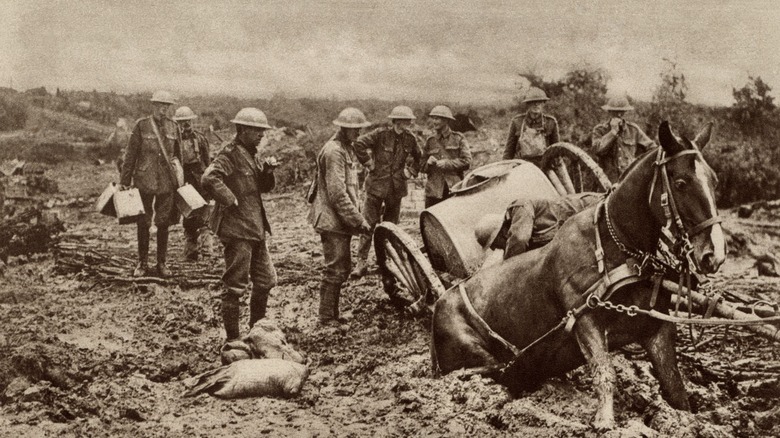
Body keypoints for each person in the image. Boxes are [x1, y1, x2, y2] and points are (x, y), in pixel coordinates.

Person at [201, 108, 279, 342]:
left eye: (262, 131)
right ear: (243, 130)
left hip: (254, 227)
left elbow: (263, 188)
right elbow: (209, 178)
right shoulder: (230, 154)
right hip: (237, 230)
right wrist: (229, 198)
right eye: (256, 131)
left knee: (266, 280)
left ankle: (255, 332)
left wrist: (268, 172)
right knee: (235, 286)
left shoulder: (251, 154)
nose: (261, 135)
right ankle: (233, 341)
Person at [308, 108, 372, 325]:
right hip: (332, 220)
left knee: (341, 267)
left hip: (338, 219)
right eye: (354, 129)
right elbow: (337, 194)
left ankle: (332, 314)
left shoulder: (345, 148)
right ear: (343, 128)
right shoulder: (334, 152)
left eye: (360, 128)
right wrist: (358, 220)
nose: (358, 132)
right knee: (335, 268)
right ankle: (326, 317)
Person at [351, 105, 422, 278]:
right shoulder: (380, 134)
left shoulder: (410, 139)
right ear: (394, 121)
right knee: (367, 225)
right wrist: (368, 162)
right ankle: (361, 262)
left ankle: (386, 261)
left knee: (391, 228)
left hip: (395, 190)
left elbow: (420, 157)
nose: (404, 124)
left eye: (407, 121)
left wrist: (410, 171)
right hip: (376, 187)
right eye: (401, 121)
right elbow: (358, 144)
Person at [120, 90, 180, 278]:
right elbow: (130, 155)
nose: (163, 109)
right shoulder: (142, 126)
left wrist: (180, 182)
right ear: (153, 106)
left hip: (166, 182)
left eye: (167, 106)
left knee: (164, 222)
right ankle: (142, 262)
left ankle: (162, 263)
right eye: (160, 105)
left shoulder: (173, 127)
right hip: (144, 180)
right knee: (143, 221)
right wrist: (125, 181)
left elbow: (178, 158)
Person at [476, 192, 603, 260]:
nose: (496, 249)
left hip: (593, 208)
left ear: (502, 232)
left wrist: (505, 269)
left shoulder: (519, 207)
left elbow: (519, 239)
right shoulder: (527, 238)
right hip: (585, 230)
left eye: (494, 244)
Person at [173, 106, 211, 261]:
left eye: (188, 121)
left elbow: (208, 163)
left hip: (200, 182)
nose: (185, 125)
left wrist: (209, 183)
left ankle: (207, 252)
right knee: (188, 218)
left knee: (204, 218)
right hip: (184, 183)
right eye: (182, 122)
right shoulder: (174, 142)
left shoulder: (201, 139)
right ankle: (191, 252)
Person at [591, 96, 655, 182]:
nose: (619, 115)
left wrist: (640, 165)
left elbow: (652, 148)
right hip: (607, 182)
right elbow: (597, 150)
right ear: (609, 112)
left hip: (629, 181)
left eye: (621, 111)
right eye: (615, 112)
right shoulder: (600, 130)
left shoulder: (633, 129)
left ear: (625, 112)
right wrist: (613, 132)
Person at [421, 105, 472, 207]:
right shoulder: (430, 141)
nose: (434, 122)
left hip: (453, 189)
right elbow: (421, 166)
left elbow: (467, 161)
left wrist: (447, 163)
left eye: (437, 118)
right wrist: (428, 163)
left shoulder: (459, 138)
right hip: (433, 191)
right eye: (433, 118)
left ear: (446, 120)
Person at [503, 87, 560, 167]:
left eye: (539, 102)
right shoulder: (517, 122)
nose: (536, 104)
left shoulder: (550, 122)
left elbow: (556, 150)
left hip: (543, 166)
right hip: (522, 165)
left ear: (543, 103)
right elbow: (509, 151)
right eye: (533, 102)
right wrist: (505, 167)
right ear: (527, 104)